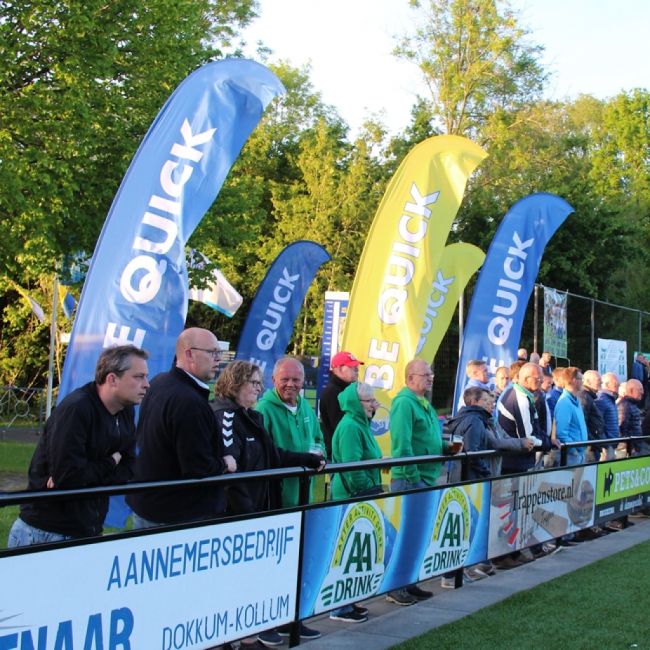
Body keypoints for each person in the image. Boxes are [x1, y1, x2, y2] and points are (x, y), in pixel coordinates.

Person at [212, 361, 325, 648]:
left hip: (260, 511)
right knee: (232, 581)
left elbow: (274, 455)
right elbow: (230, 471)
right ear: (236, 384)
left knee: (256, 576)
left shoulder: (253, 417)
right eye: (254, 383)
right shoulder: (225, 416)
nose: (259, 388)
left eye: (259, 383)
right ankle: (236, 638)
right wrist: (248, 513)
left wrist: (309, 459)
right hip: (237, 516)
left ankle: (252, 634)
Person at [9, 345, 150, 546]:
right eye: (139, 377)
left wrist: (90, 472)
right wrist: (111, 462)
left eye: (146, 377)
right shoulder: (77, 409)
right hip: (46, 532)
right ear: (112, 379)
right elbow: (69, 478)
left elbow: (128, 467)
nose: (147, 384)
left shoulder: (125, 410)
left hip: (89, 529)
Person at [127, 328, 236, 528]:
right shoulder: (188, 401)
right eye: (212, 352)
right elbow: (198, 468)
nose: (218, 358)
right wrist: (225, 463)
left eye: (219, 352)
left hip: (150, 503)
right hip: (175, 514)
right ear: (189, 354)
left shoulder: (160, 382)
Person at [255, 356, 324, 641]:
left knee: (296, 563)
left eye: (296, 379)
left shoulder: (305, 406)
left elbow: (318, 438)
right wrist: (304, 459)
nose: (291, 384)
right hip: (277, 500)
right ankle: (264, 624)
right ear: (273, 380)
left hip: (303, 497)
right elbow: (268, 455)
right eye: (285, 379)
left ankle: (290, 619)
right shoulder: (264, 410)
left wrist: (318, 453)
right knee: (272, 565)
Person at [387, 359, 457, 605]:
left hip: (424, 478)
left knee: (417, 535)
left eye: (430, 374)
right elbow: (402, 445)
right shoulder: (404, 403)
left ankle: (409, 581)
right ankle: (396, 586)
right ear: (410, 378)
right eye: (425, 375)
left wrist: (445, 447)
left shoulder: (422, 402)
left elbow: (427, 437)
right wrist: (413, 476)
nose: (430, 378)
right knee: (406, 535)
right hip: (411, 480)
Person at [328, 381, 381, 624]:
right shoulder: (351, 426)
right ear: (356, 404)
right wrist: (367, 487)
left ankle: (349, 601)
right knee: (345, 552)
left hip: (358, 494)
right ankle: (340, 607)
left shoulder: (360, 424)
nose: (374, 405)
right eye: (369, 401)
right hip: (351, 496)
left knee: (354, 552)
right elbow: (353, 467)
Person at [319, 351, 364, 459]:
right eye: (352, 367)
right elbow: (343, 427)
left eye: (357, 367)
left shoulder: (347, 390)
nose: (357, 370)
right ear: (339, 369)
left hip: (347, 451)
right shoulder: (332, 393)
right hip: (340, 455)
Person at [554, 367, 588, 465]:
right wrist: (574, 451)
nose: (583, 382)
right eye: (581, 379)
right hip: (571, 457)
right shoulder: (564, 402)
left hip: (579, 454)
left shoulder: (576, 401)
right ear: (574, 381)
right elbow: (561, 433)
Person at [578, 370, 606, 462]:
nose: (601, 382)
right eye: (598, 380)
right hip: (590, 447)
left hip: (592, 445)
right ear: (588, 382)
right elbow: (583, 423)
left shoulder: (588, 397)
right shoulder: (584, 397)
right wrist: (593, 442)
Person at [596, 372, 620, 461]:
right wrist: (604, 444)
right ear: (606, 384)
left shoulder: (610, 399)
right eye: (615, 383)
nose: (618, 385)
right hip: (606, 445)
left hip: (611, 443)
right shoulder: (601, 399)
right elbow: (597, 424)